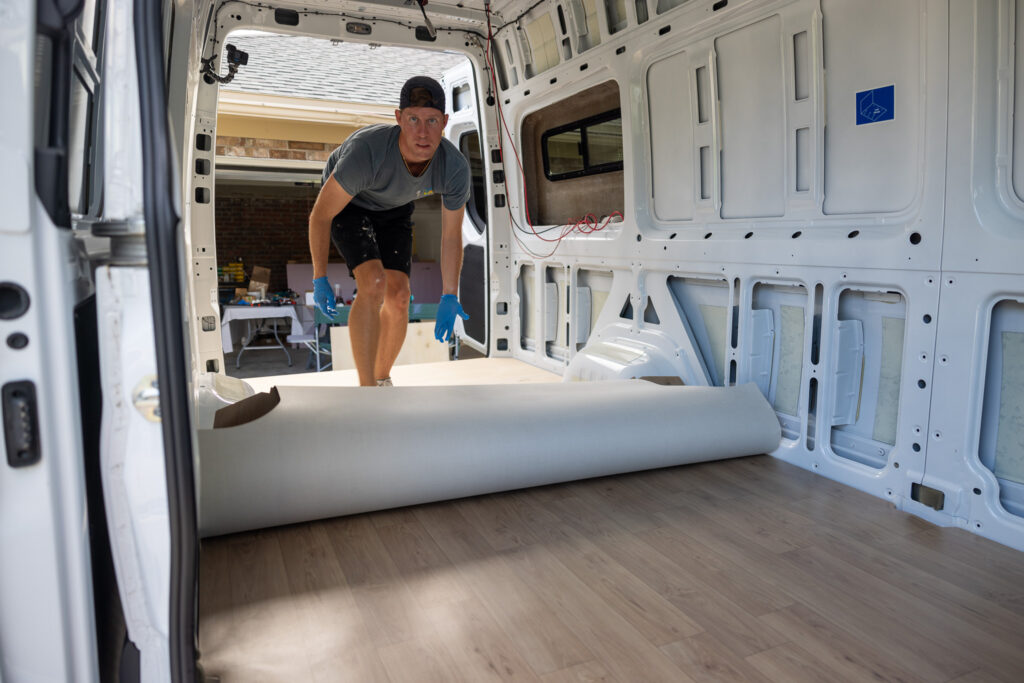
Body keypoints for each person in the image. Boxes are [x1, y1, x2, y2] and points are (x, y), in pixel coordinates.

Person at [308, 76, 471, 386]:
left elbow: (451, 235)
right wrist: (319, 277)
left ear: (445, 122)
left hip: (394, 207)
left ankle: (382, 381)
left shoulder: (454, 167)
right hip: (350, 202)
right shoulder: (365, 153)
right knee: (374, 282)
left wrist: (449, 294)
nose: (423, 132)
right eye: (413, 119)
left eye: (432, 121)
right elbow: (320, 215)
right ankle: (366, 388)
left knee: (399, 296)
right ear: (398, 118)